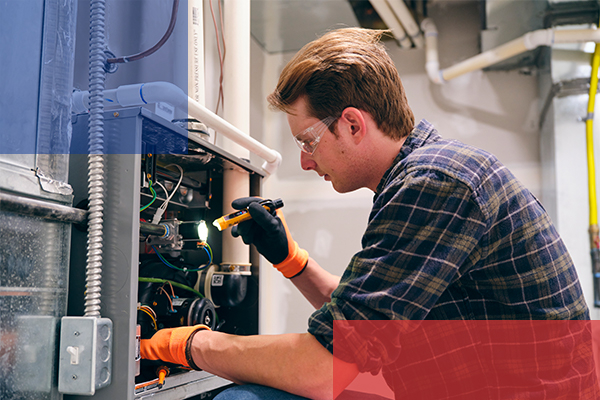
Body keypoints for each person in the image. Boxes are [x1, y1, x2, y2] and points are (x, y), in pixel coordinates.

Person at [141, 28, 596, 399]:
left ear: (354, 124)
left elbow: (325, 369)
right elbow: (366, 322)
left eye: (307, 141)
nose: (304, 161)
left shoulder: (434, 184)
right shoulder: (430, 173)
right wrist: (291, 260)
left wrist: (190, 343)